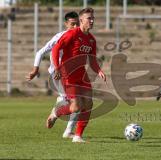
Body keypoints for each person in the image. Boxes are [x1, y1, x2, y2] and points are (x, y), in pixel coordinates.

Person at [46, 7, 106, 143]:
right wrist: (57, 67)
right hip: (68, 75)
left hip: (81, 75)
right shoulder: (72, 34)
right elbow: (56, 49)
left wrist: (99, 71)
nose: (92, 21)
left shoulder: (91, 40)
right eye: (89, 18)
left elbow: (92, 60)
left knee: (88, 104)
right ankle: (56, 113)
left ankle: (78, 136)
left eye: (93, 18)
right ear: (81, 20)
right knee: (76, 107)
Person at [26, 11, 81, 138]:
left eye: (77, 24)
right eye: (72, 24)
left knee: (79, 102)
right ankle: (58, 114)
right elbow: (40, 52)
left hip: (72, 75)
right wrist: (35, 70)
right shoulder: (60, 37)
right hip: (58, 76)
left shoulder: (80, 37)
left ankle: (67, 129)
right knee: (76, 103)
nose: (75, 27)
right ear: (66, 24)